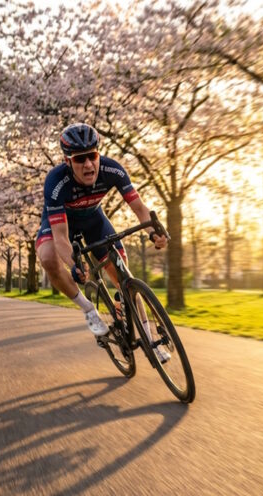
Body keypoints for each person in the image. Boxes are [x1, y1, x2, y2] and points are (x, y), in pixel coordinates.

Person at [36, 123, 169, 358]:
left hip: (94, 220)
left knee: (124, 275)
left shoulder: (112, 170)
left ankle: (150, 340)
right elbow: (60, 238)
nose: (88, 164)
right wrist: (74, 264)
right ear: (68, 162)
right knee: (47, 256)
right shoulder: (56, 183)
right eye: (80, 159)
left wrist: (154, 231)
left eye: (93, 155)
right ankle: (89, 309)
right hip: (61, 222)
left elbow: (139, 208)